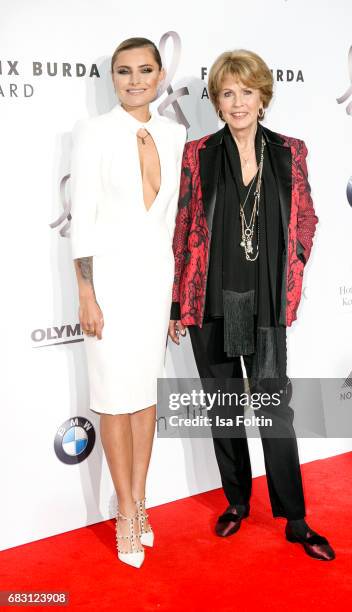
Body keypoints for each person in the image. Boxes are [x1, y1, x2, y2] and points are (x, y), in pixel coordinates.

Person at [169, 49, 335, 561]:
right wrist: (178, 302)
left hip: (262, 304)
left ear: (263, 96)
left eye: (246, 91)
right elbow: (182, 229)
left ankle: (296, 518)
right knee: (223, 410)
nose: (237, 102)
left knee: (273, 412)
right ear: (216, 102)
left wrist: (296, 269)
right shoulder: (198, 154)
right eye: (227, 93)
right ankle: (237, 503)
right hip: (213, 300)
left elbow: (305, 219)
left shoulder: (289, 152)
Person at [70, 37, 186, 568]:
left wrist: (170, 300)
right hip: (110, 285)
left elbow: (167, 225)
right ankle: (123, 512)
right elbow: (83, 220)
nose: (134, 80)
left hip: (154, 283)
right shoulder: (93, 133)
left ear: (161, 75)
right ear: (112, 78)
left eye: (144, 70)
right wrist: (87, 294)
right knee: (115, 398)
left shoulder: (176, 133)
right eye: (123, 71)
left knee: (144, 397)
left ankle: (139, 501)